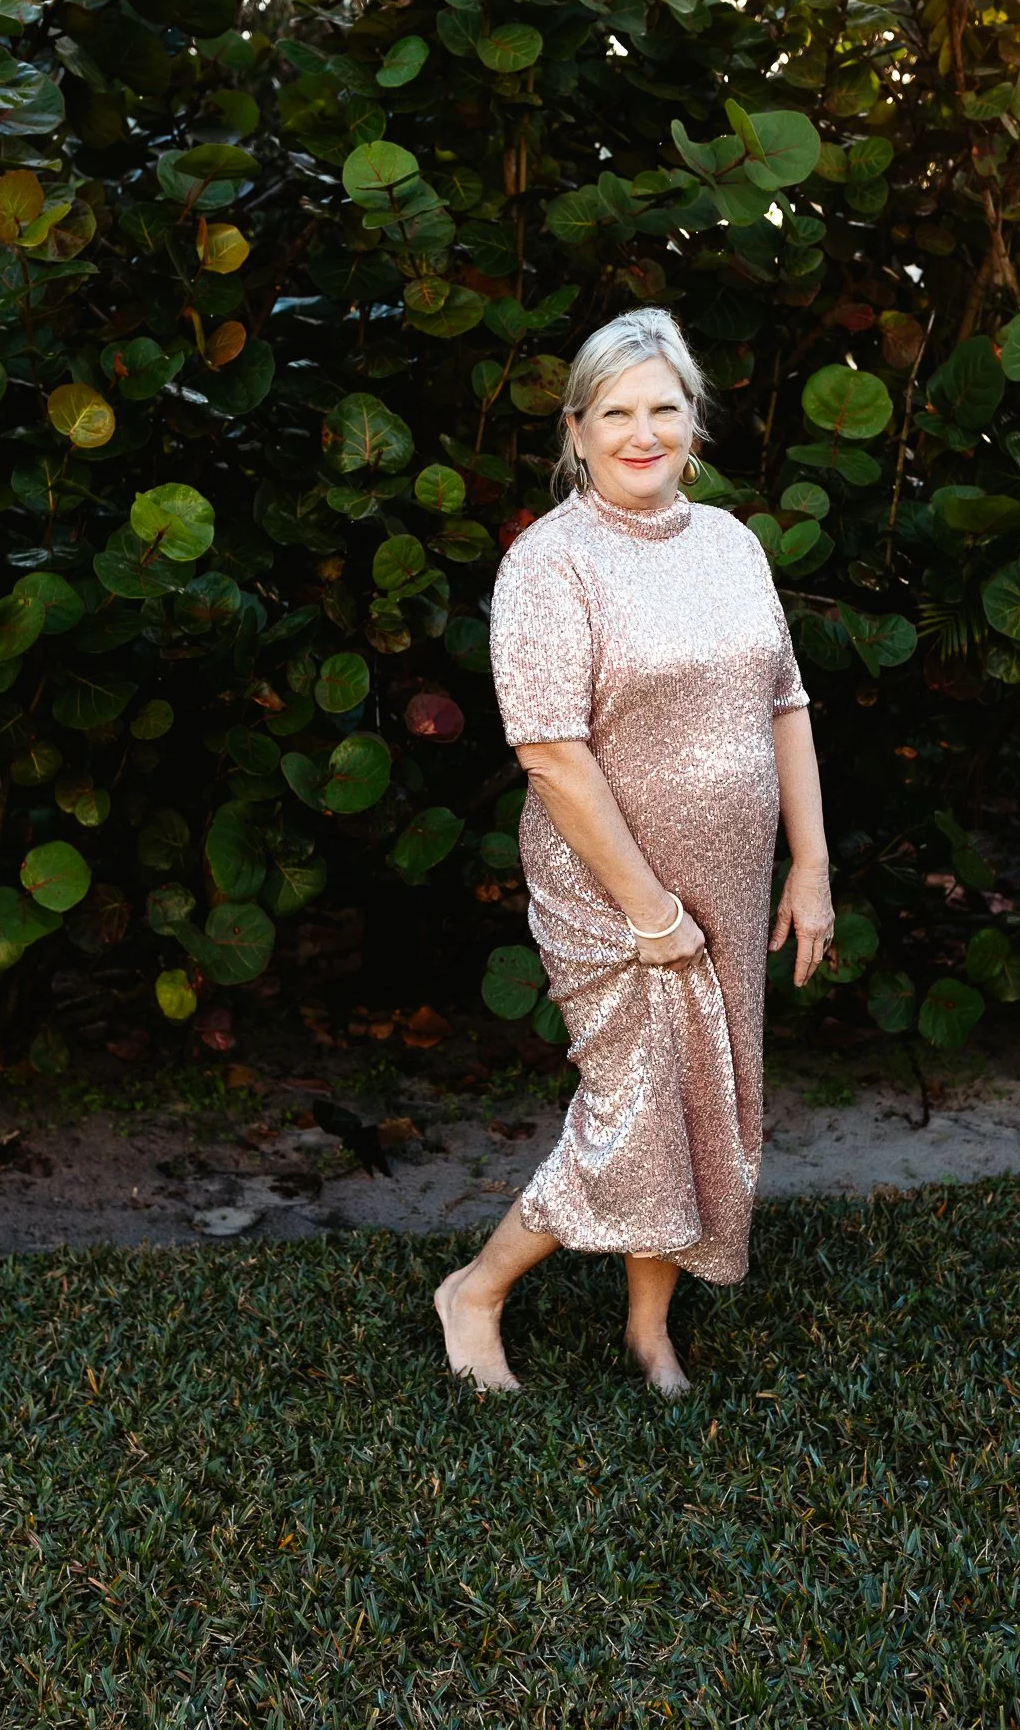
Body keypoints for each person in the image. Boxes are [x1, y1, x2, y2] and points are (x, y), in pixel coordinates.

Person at [434, 308, 835, 1396]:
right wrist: (652, 910)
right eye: (618, 410)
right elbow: (554, 755)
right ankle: (475, 1287)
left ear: (693, 423)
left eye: (665, 407)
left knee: (697, 1101)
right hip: (611, 892)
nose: (643, 430)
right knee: (631, 1109)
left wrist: (811, 865)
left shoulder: (732, 545)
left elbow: (785, 700)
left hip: (728, 878)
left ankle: (649, 1327)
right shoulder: (549, 564)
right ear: (577, 426)